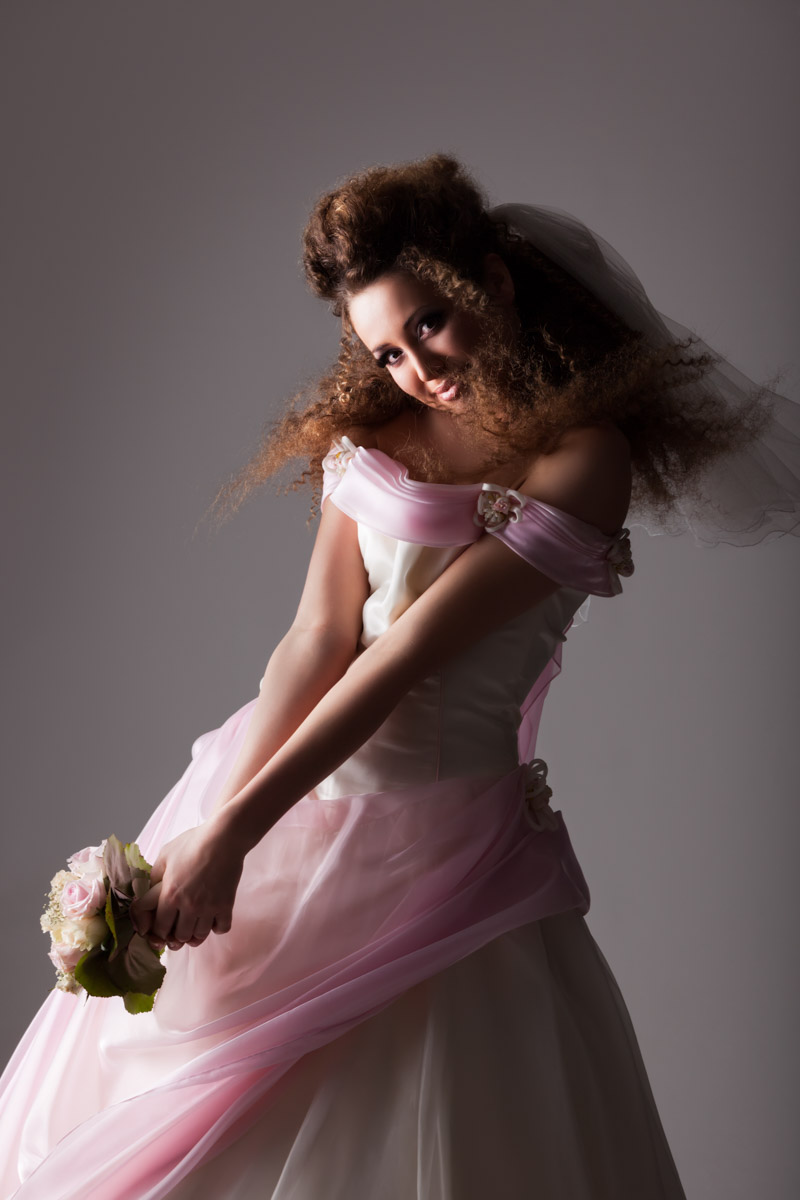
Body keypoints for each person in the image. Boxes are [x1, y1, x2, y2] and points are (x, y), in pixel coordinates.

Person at [0, 154, 797, 1200]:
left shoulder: (582, 456)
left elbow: (407, 652)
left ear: (490, 282)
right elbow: (315, 638)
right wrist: (227, 811)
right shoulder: (375, 434)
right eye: (385, 349)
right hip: (285, 792)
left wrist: (235, 832)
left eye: (429, 323)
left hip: (441, 855)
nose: (416, 368)